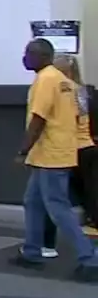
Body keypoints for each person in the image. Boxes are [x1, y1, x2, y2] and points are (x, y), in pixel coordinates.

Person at [12, 39, 98, 281]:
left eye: (28, 53)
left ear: (42, 56)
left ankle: (89, 259)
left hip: (51, 154)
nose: (24, 58)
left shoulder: (46, 80)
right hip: (53, 152)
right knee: (33, 201)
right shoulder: (66, 82)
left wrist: (22, 150)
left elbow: (39, 119)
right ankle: (31, 252)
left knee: (58, 208)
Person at [44, 54, 98, 254]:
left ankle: (48, 244)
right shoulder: (84, 92)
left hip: (68, 148)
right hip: (88, 145)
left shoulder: (63, 91)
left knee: (54, 198)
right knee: (89, 193)